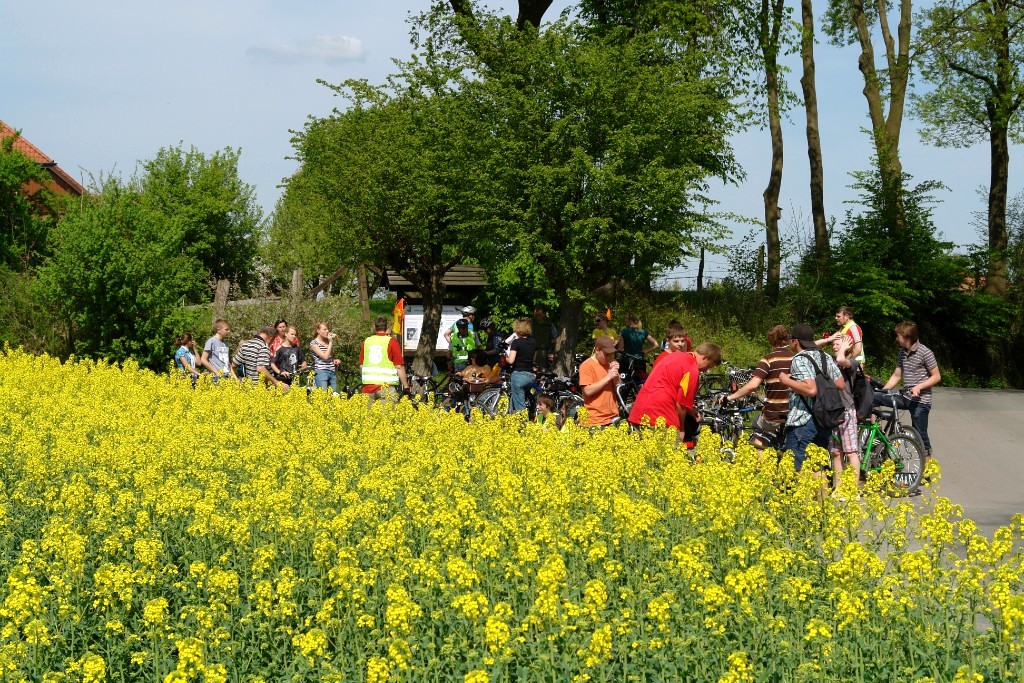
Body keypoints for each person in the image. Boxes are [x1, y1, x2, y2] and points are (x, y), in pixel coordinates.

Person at [779, 323, 845, 472]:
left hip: (803, 420)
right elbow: (840, 384)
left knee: (796, 469)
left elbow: (811, 389)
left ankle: (799, 495)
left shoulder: (799, 359)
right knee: (817, 468)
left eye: (791, 339)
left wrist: (786, 380)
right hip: (823, 420)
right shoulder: (825, 356)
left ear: (795, 341)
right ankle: (822, 495)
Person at [628, 342, 723, 440]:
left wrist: (690, 410)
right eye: (708, 366)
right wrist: (681, 429)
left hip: (639, 412)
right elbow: (681, 404)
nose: (705, 370)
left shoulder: (675, 355)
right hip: (660, 418)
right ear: (705, 358)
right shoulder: (692, 369)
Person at [875, 321, 940, 459]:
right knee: (874, 396)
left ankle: (927, 467)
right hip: (906, 397)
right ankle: (875, 436)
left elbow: (936, 377)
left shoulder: (925, 352)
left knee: (920, 435)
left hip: (921, 401)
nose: (896, 338)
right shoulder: (902, 352)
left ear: (907, 337)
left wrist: (919, 386)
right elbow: (897, 375)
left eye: (898, 336)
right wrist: (883, 391)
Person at [724, 325, 793, 449]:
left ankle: (762, 466)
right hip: (793, 412)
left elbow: (753, 385)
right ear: (788, 339)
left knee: (757, 427)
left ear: (771, 340)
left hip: (774, 413)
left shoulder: (768, 359)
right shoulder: (795, 358)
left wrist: (730, 397)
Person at [830, 335, 862, 491]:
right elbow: (810, 349)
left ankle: (853, 488)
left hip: (847, 410)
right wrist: (826, 340)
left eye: (838, 344)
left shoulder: (852, 363)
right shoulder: (831, 361)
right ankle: (839, 487)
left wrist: (844, 349)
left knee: (850, 452)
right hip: (833, 411)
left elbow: (842, 360)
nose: (834, 346)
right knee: (836, 452)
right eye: (833, 344)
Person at [360, 315, 409, 404]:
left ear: (374, 327)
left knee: (366, 416)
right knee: (386, 416)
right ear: (387, 327)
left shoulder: (367, 341)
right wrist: (406, 386)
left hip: (367, 388)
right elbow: (399, 367)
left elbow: (361, 365)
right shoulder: (392, 342)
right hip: (386, 388)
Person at [578, 336, 620, 428]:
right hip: (595, 421)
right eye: (606, 354)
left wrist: (615, 375)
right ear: (597, 350)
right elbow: (587, 391)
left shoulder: (609, 365)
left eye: (611, 355)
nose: (609, 357)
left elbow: (618, 389)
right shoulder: (586, 366)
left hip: (612, 418)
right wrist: (608, 377)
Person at [232, 325, 288, 391]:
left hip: (247, 389)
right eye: (273, 341)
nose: (271, 344)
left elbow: (232, 366)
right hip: (260, 390)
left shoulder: (246, 344)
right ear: (271, 338)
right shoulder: (264, 347)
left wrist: (237, 381)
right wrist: (276, 382)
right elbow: (260, 368)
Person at [506, 318, 536, 414]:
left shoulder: (516, 342)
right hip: (530, 376)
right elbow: (534, 360)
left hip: (518, 375)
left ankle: (525, 425)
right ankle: (511, 422)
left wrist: (505, 357)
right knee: (514, 402)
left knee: (520, 407)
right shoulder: (533, 342)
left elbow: (511, 360)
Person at [617, 314, 659, 380]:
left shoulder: (624, 332)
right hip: (640, 361)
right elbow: (656, 344)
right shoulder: (643, 332)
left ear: (629, 321)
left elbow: (620, 348)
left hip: (627, 361)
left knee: (624, 381)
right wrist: (645, 351)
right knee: (640, 382)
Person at [309, 322, 341, 391]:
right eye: (325, 329)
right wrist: (331, 342)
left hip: (332, 372)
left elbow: (329, 357)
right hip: (321, 372)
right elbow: (325, 357)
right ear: (318, 331)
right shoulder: (313, 343)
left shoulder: (328, 342)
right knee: (323, 398)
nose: (327, 331)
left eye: (327, 329)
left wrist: (334, 360)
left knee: (333, 397)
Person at [532, 306, 556, 373]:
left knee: (541, 370)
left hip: (543, 350)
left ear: (544, 314)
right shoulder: (531, 322)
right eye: (536, 315)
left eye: (539, 315)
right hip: (532, 348)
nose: (537, 317)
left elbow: (555, 336)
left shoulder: (549, 323)